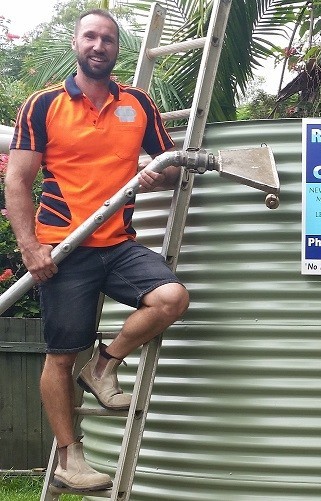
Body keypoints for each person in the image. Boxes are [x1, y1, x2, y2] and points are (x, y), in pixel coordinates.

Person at [5, 9, 189, 492]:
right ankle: (71, 457)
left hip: (118, 242)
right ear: (76, 43)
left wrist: (154, 175)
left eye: (108, 39)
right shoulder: (43, 105)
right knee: (60, 357)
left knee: (171, 298)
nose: (99, 45)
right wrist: (31, 247)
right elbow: (18, 180)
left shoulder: (139, 105)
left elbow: (173, 170)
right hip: (64, 248)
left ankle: (104, 365)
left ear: (116, 49)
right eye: (91, 36)